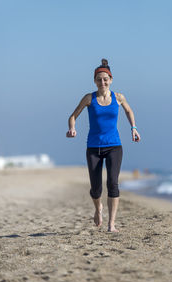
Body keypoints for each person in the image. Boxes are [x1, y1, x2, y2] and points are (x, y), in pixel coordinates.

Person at [66, 59, 140, 232]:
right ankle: (98, 208)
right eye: (99, 79)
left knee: (113, 183)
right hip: (93, 148)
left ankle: (111, 224)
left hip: (114, 146)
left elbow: (129, 110)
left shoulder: (119, 97)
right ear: (95, 81)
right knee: (96, 187)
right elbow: (73, 116)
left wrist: (134, 128)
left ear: (111, 80)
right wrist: (72, 128)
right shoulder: (88, 98)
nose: (102, 82)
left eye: (105, 79)